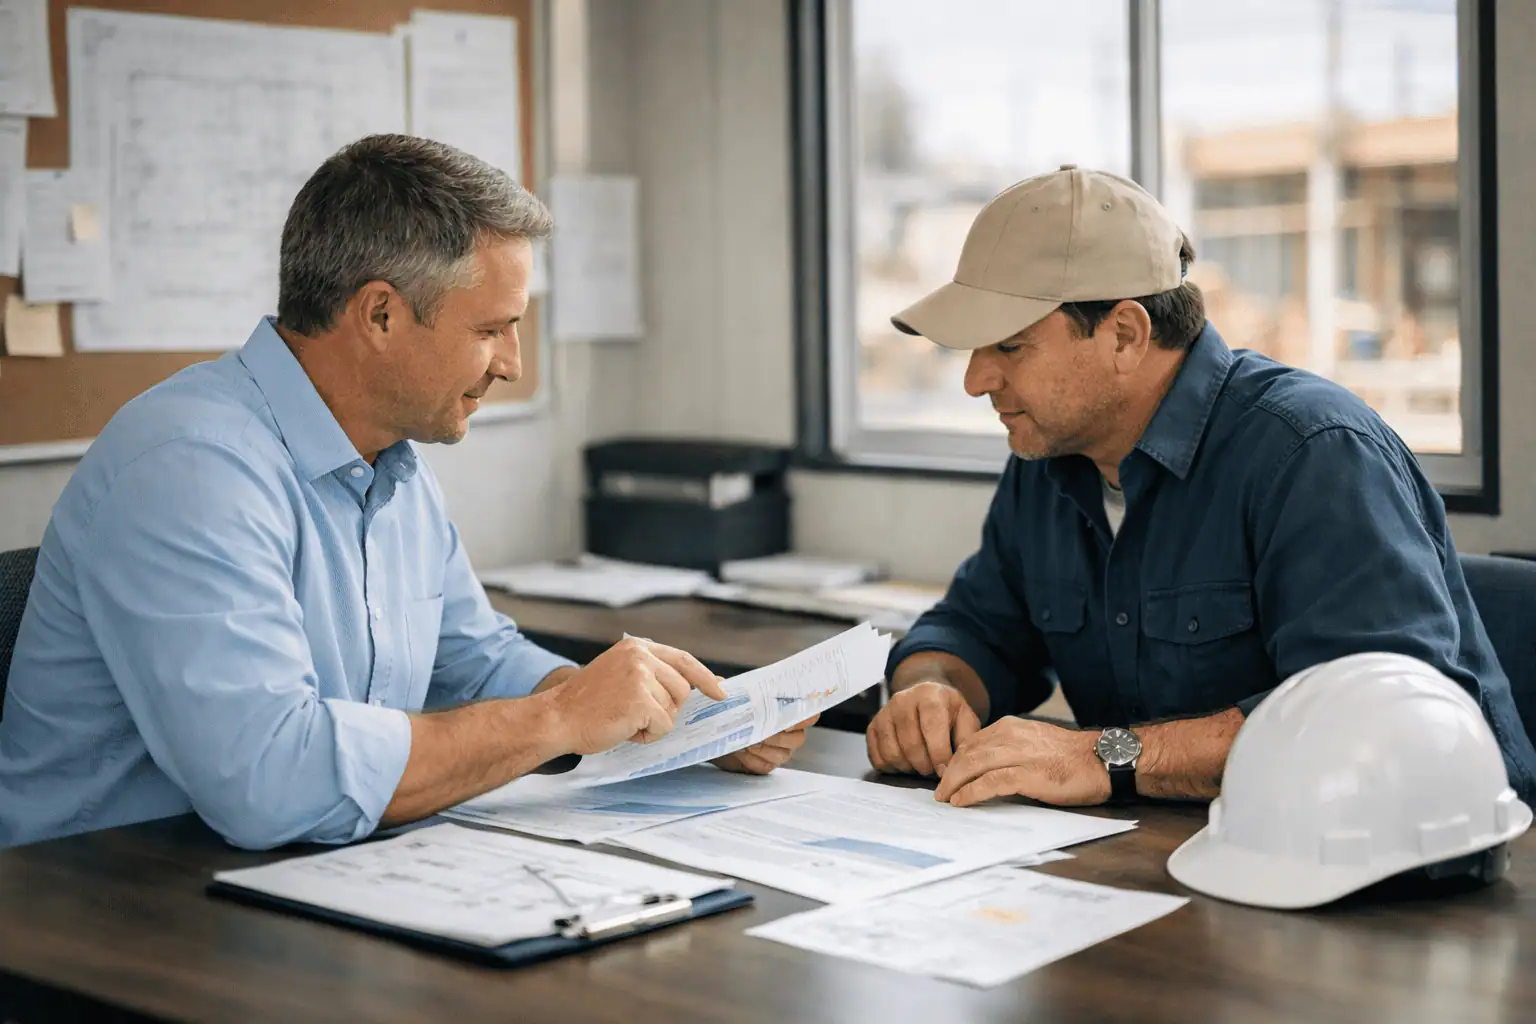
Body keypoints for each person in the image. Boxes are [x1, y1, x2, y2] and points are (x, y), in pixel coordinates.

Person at [0, 135, 813, 850]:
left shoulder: (390, 461)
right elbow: (268, 784)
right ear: (381, 315)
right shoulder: (187, 467)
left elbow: (470, 660)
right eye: (491, 328)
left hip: (291, 880)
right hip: (106, 906)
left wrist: (648, 719)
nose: (512, 365)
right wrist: (560, 721)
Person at [865, 164, 1536, 809]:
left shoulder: (1314, 454)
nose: (974, 380)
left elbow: (1372, 724)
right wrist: (932, 686)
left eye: (1009, 346)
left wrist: (1101, 757)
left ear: (1125, 335)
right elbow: (976, 625)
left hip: (1417, 869)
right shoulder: (1047, 455)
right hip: (1183, 856)